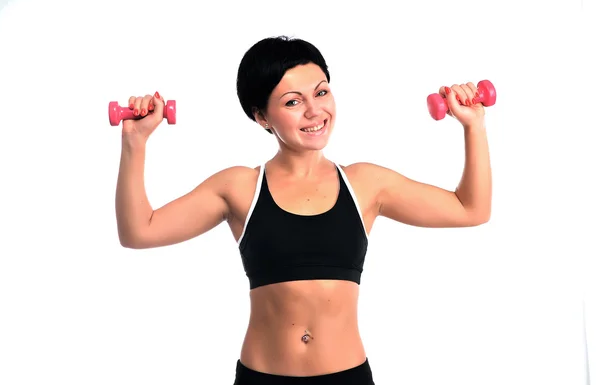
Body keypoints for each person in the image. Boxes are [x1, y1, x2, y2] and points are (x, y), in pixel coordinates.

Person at [115, 35, 492, 385]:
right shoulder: (239, 187)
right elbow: (139, 231)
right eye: (293, 101)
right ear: (261, 116)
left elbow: (470, 209)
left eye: (322, 92)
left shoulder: (366, 184)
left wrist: (473, 126)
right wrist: (135, 143)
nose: (315, 111)